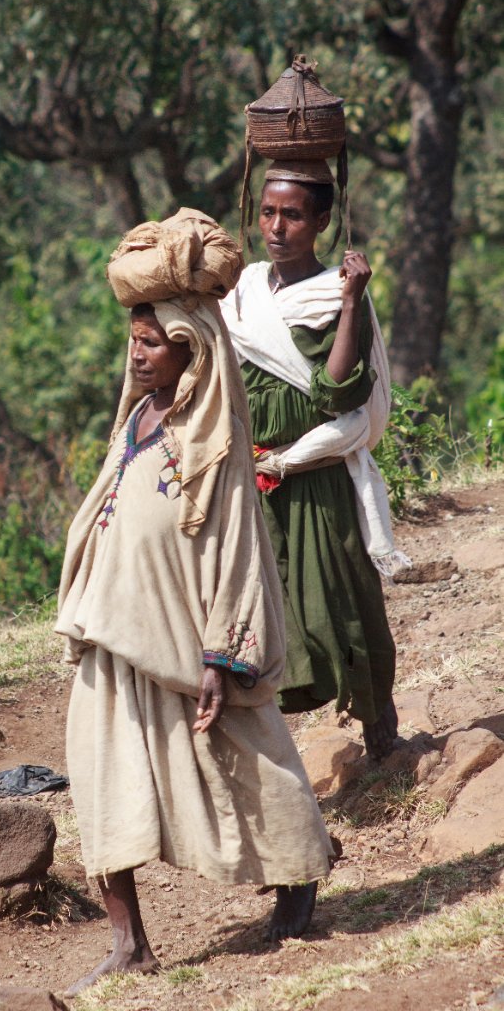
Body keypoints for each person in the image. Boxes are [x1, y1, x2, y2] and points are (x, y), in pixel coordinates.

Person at [55, 209, 334, 997]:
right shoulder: (137, 421)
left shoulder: (213, 444)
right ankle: (128, 942)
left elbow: (238, 549)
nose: (136, 355)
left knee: (244, 758)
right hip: (113, 636)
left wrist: (223, 655)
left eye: (151, 344)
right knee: (101, 780)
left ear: (192, 349)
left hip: (188, 644)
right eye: (134, 342)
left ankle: (296, 877)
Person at [220, 160, 405, 761]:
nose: (276, 227)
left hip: (318, 478)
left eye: (293, 215)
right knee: (266, 611)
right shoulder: (243, 292)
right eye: (268, 212)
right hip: (258, 480)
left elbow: (337, 394)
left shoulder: (332, 295)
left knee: (348, 602)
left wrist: (352, 302)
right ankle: (268, 754)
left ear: (322, 221)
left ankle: (382, 735)